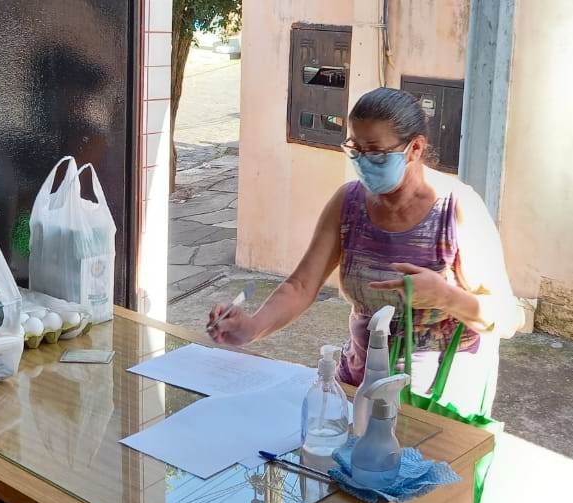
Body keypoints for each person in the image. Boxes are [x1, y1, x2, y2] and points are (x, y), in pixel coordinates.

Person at [208, 87, 523, 422]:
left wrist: (445, 297)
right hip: (360, 383)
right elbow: (301, 286)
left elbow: (507, 317)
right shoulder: (349, 203)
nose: (363, 161)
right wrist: (252, 327)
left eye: (375, 152)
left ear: (415, 148)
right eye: (355, 148)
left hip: (437, 401)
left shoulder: (456, 209)